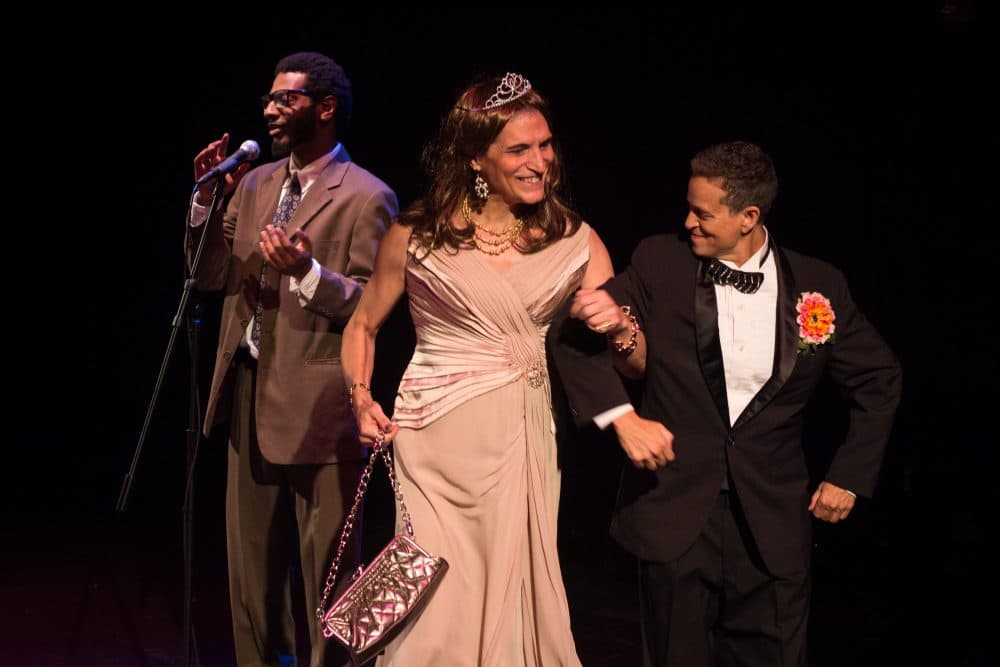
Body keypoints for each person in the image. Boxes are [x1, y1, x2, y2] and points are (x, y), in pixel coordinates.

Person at [548, 140, 902, 666]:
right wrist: (622, 416)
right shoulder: (659, 261)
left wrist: (849, 474)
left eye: (702, 212)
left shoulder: (819, 285)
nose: (687, 221)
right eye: (688, 206)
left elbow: (879, 376)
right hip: (676, 512)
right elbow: (572, 338)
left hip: (773, 523)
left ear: (748, 216)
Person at [340, 72, 615, 666]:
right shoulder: (415, 235)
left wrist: (621, 326)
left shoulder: (577, 241)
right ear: (475, 160)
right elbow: (362, 326)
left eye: (545, 146)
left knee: (514, 581)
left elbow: (633, 357)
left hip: (521, 435)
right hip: (432, 439)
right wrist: (361, 396)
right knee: (437, 591)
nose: (539, 161)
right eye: (519, 149)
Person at [186, 51, 398, 666]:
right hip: (248, 387)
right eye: (269, 99)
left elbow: (372, 304)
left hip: (322, 405)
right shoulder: (254, 183)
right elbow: (208, 274)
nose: (270, 110)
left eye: (287, 99)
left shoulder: (366, 196)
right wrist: (203, 203)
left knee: (328, 573)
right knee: (251, 574)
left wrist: (307, 271)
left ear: (325, 108)